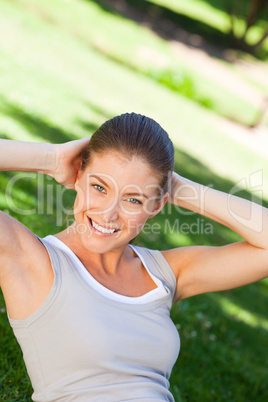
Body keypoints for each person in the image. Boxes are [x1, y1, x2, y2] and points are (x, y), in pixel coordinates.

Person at [0, 112, 267, 402]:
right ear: (77, 176)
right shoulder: (30, 260)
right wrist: (51, 158)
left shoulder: (164, 273)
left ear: (156, 206)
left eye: (133, 199)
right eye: (99, 187)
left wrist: (176, 188)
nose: (108, 213)